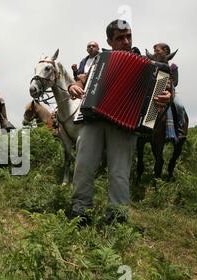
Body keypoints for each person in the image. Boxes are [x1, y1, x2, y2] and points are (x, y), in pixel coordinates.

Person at [67, 20, 173, 225]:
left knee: (119, 172)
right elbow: (83, 80)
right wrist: (74, 85)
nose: (126, 41)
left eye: (128, 36)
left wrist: (166, 96)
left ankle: (117, 217)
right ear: (109, 41)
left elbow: (164, 88)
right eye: (120, 38)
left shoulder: (150, 66)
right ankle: (80, 211)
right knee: (83, 165)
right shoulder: (100, 60)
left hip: (126, 124)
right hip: (93, 118)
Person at [152, 42, 186, 139]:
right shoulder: (154, 64)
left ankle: (180, 129)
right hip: (156, 90)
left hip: (170, 92)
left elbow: (175, 82)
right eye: (154, 51)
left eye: (157, 51)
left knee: (179, 106)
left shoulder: (173, 67)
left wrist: (167, 83)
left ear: (165, 51)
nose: (155, 53)